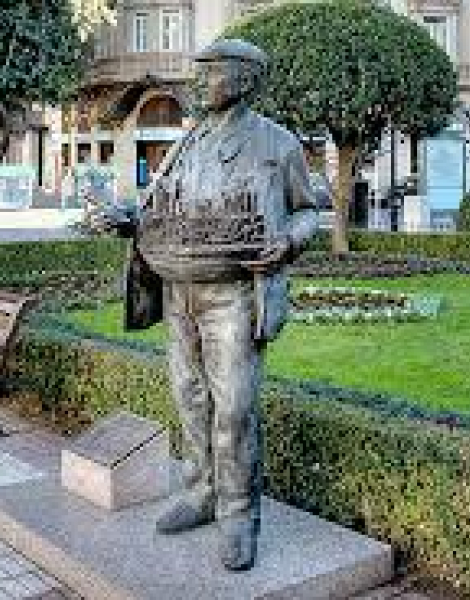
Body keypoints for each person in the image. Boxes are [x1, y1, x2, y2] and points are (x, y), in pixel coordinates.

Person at [98, 38, 318, 571]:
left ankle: (238, 513)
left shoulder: (276, 143)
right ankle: (201, 492)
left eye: (211, 73)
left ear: (243, 79)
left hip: (233, 294)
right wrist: (131, 219)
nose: (200, 82)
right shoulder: (186, 139)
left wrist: (287, 242)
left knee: (235, 406)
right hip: (178, 290)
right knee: (189, 397)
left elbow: (308, 212)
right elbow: (164, 208)